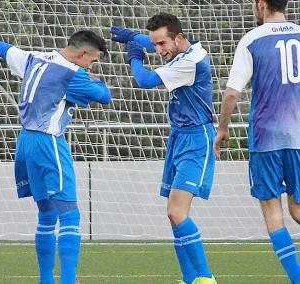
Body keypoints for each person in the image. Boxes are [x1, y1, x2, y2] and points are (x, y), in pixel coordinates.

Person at [0, 27, 111, 284]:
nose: (91, 66)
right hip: (49, 142)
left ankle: (45, 279)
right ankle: (66, 280)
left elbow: (7, 50)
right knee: (70, 215)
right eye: (92, 61)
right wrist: (94, 80)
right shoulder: (74, 73)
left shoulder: (36, 57)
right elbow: (104, 96)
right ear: (82, 53)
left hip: (25, 143)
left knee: (47, 214)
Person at [111, 13, 216, 284]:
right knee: (174, 215)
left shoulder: (190, 62)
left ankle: (206, 277)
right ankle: (189, 278)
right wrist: (131, 36)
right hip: (179, 136)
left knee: (176, 212)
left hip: (196, 139)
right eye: (154, 44)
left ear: (179, 38)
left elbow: (144, 81)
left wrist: (134, 55)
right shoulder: (183, 50)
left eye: (161, 45)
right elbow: (158, 41)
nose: (157, 50)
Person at [214, 0, 300, 283]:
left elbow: (231, 94)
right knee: (297, 209)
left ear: (261, 4)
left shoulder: (252, 39)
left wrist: (223, 128)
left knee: (272, 211)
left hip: (266, 140)